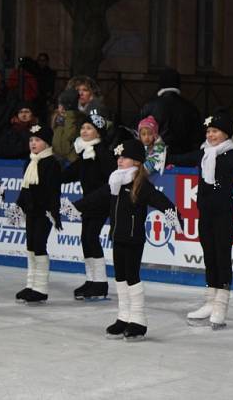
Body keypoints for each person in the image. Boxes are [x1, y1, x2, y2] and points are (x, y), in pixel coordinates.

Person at [69, 139, 183, 341]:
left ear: (137, 162)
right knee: (120, 277)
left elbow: (163, 202)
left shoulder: (141, 185)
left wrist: (175, 219)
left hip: (134, 239)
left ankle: (138, 320)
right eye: (119, 157)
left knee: (132, 276)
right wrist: (75, 207)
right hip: (118, 237)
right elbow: (95, 197)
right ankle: (123, 317)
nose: (120, 161)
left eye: (125, 157)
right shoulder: (115, 182)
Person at [169, 113, 233, 329]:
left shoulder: (231, 156)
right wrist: (159, 155)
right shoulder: (203, 154)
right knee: (209, 256)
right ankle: (210, 302)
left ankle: (221, 305)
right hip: (205, 213)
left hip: (223, 214)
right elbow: (179, 158)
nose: (210, 134)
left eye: (215, 131)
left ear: (225, 134)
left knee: (222, 256)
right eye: (208, 131)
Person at [60, 109, 116, 300]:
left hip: (100, 201)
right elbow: (70, 173)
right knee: (86, 238)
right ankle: (91, 280)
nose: (84, 131)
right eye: (83, 127)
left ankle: (100, 283)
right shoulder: (85, 152)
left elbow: (111, 182)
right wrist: (49, 175)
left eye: (89, 128)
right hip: (88, 203)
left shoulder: (103, 154)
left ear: (98, 132)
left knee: (91, 237)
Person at [13, 123, 63, 303]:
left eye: (38, 140)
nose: (33, 143)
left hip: (44, 212)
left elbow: (53, 191)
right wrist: (19, 206)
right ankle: (31, 284)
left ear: (47, 143)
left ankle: (40, 288)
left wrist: (54, 213)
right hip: (31, 211)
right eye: (31, 140)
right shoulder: (30, 162)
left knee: (39, 246)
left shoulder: (51, 164)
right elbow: (25, 188)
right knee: (30, 246)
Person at [138, 68, 202, 155]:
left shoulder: (149, 106)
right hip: (184, 158)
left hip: (155, 158)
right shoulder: (191, 108)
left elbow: (139, 134)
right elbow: (197, 138)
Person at [51, 89, 85, 163]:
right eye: (60, 105)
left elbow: (70, 135)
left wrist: (70, 114)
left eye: (65, 106)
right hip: (57, 157)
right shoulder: (56, 118)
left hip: (72, 159)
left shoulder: (77, 118)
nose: (62, 109)